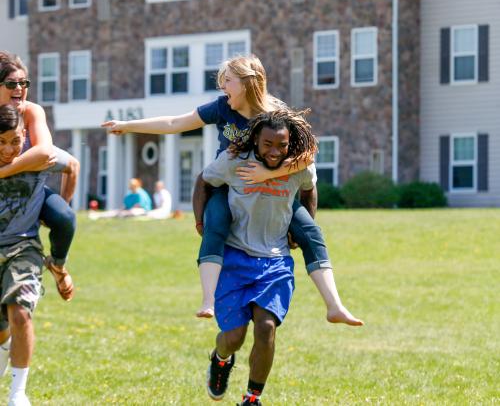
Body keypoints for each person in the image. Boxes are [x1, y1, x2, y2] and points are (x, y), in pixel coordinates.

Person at [102, 54, 358, 324]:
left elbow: (307, 156)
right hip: (227, 186)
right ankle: (208, 300)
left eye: (227, 81)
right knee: (217, 223)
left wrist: (267, 173)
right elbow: (175, 123)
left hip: (272, 192)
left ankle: (334, 306)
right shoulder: (222, 108)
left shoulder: (277, 114)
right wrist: (127, 126)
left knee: (310, 232)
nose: (222, 87)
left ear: (247, 83)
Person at [194, 109, 363, 405]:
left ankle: (252, 397)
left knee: (266, 327)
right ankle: (220, 359)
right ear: (255, 140)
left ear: (290, 143)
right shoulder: (234, 162)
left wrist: (300, 227)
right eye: (268, 144)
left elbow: (310, 191)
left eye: (281, 146)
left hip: (275, 260)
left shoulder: (299, 167)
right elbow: (203, 182)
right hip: (235, 257)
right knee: (233, 338)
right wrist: (200, 220)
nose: (274, 152)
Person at [0, 104, 79, 406]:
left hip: (24, 248)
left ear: (24, 136)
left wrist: (56, 206)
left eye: (15, 140)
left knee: (20, 313)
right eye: (2, 141)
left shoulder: (38, 157)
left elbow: (72, 165)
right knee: (2, 330)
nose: (9, 149)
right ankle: (6, 347)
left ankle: (18, 393)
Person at [0, 52, 76, 301]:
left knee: (64, 216)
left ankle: (58, 264)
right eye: (12, 84)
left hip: (30, 190)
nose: (20, 88)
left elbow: (45, 151)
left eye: (24, 83)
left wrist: (5, 171)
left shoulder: (32, 111)